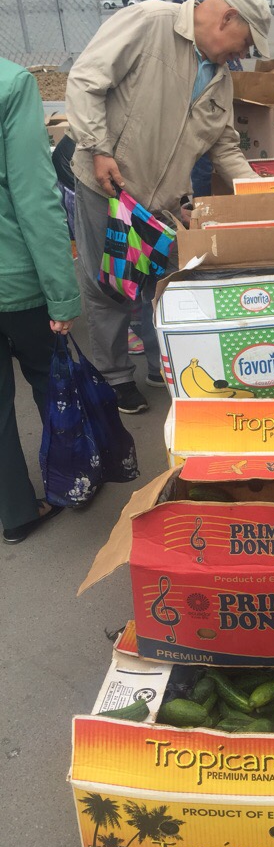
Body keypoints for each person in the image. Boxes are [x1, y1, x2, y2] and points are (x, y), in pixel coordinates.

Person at [65, 0, 270, 414]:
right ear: (228, 17)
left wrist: (262, 194)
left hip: (162, 204)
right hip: (109, 186)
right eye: (245, 42)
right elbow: (86, 81)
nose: (242, 54)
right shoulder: (150, 22)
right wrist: (98, 148)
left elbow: (225, 146)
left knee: (164, 287)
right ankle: (115, 376)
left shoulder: (220, 78)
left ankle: (165, 365)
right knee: (109, 289)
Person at [0, 56, 81, 544]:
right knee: (50, 382)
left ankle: (16, 512)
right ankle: (71, 481)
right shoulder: (10, 84)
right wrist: (62, 294)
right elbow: (34, 196)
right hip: (15, 279)